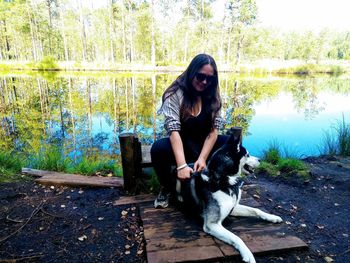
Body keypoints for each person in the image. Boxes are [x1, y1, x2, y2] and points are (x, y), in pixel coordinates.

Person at [151, 53, 228, 208]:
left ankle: (217, 182)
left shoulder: (213, 95)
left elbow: (213, 132)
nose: (205, 82)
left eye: (209, 78)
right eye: (200, 76)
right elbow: (174, 131)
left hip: (204, 144)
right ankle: (167, 187)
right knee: (158, 149)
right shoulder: (174, 94)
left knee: (228, 142)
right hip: (181, 144)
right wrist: (181, 165)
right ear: (191, 72)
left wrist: (203, 158)